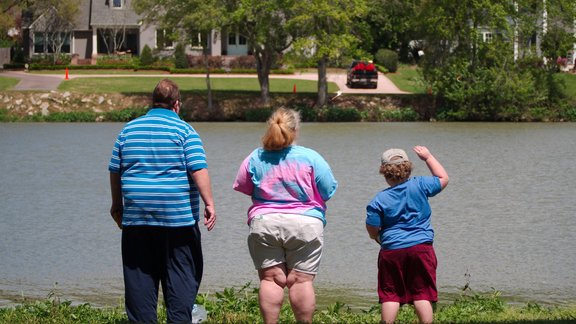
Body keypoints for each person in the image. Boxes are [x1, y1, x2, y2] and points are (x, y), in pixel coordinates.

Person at [108, 78, 216, 323]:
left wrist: (117, 205)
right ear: (177, 105)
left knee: (139, 281)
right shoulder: (185, 131)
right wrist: (209, 202)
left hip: (137, 220)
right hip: (178, 221)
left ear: (152, 102)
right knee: (181, 277)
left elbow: (115, 169)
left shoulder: (128, 130)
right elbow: (198, 168)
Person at [233, 108, 338, 324]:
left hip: (265, 222)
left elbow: (243, 186)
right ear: (295, 131)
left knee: (271, 280)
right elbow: (328, 191)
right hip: (306, 223)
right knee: (301, 281)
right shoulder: (311, 157)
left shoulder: (255, 157)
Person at [365, 146, 448, 324]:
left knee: (390, 294)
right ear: (408, 168)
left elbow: (372, 227)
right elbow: (443, 178)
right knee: (422, 293)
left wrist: (378, 238)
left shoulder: (378, 200)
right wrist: (428, 157)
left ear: (384, 173)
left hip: (392, 251)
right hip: (421, 249)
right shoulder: (420, 185)